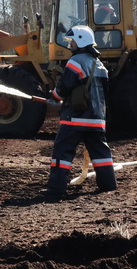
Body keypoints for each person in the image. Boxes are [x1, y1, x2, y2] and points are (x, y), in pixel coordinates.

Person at [44, 25, 117, 199]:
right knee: (101, 154)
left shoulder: (76, 62)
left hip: (75, 118)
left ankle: (56, 191)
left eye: (73, 41)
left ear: (81, 41)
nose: (71, 45)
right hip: (97, 120)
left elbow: (63, 87)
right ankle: (108, 185)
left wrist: (53, 96)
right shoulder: (99, 65)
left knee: (63, 151)